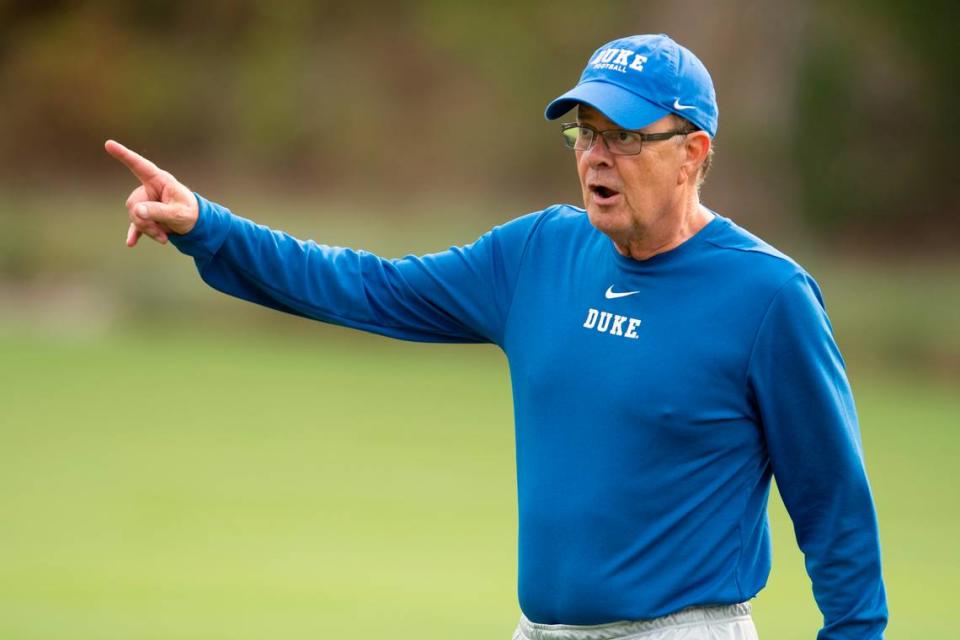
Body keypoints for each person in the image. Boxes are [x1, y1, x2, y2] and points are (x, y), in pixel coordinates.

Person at [106, 33, 887, 640]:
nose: (596, 157)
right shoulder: (539, 253)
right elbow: (366, 286)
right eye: (585, 133)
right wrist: (211, 227)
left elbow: (835, 508)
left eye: (624, 136)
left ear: (693, 153)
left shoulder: (768, 296)